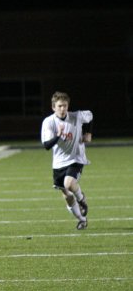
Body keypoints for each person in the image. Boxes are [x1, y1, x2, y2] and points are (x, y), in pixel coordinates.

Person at [41, 91, 92, 230]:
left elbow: (90, 116)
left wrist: (88, 133)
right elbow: (47, 145)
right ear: (53, 107)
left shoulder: (76, 116)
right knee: (67, 196)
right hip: (58, 163)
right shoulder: (49, 122)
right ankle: (82, 219)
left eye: (65, 106)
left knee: (69, 184)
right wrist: (58, 135)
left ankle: (82, 199)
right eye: (59, 106)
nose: (63, 109)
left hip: (76, 157)